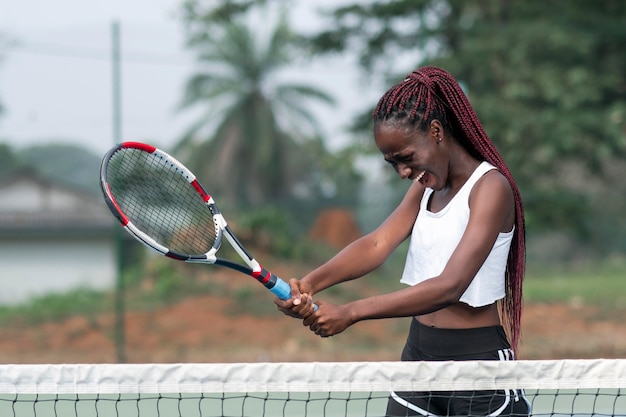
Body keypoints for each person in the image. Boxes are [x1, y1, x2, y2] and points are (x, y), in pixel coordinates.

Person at [275, 66, 531, 416]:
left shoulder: (490, 188)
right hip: (418, 360)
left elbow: (449, 286)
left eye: (406, 158)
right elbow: (378, 243)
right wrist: (308, 284)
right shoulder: (424, 188)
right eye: (392, 163)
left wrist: (352, 311)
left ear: (436, 131)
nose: (404, 173)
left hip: (478, 367)